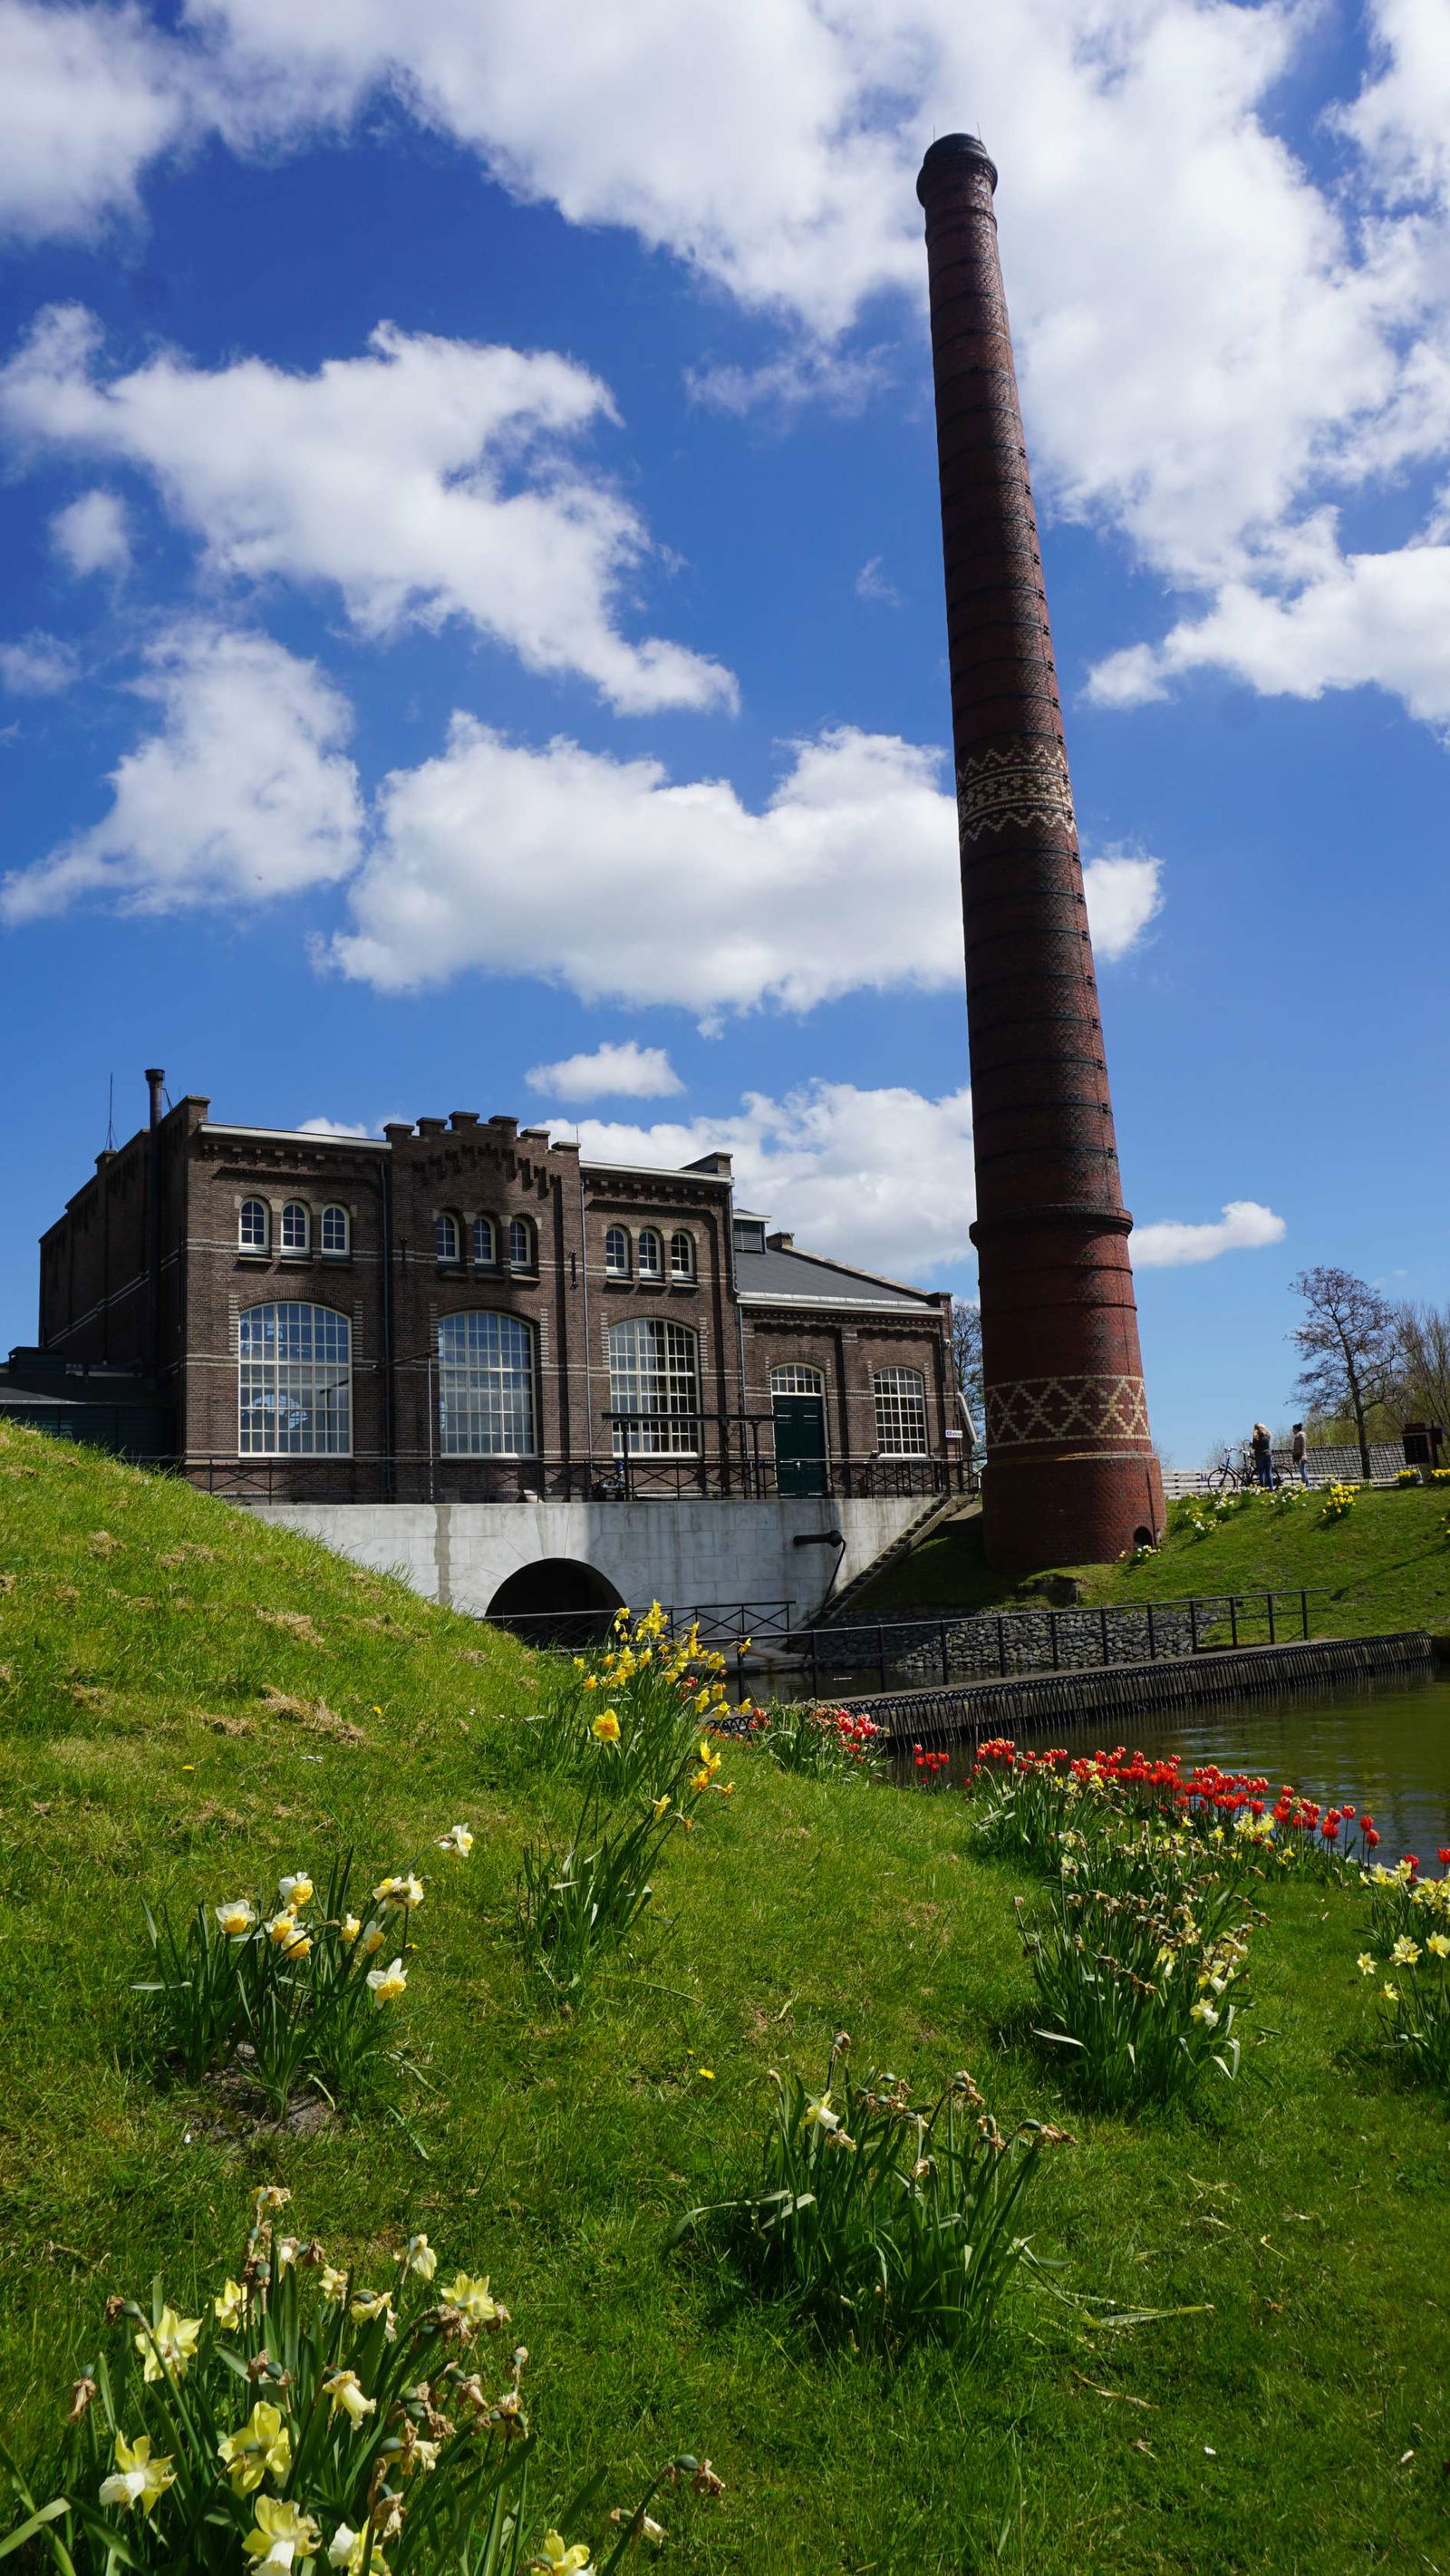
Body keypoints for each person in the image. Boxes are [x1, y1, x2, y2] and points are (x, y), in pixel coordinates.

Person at [1251, 1421, 1274, 1488]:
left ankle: (1263, 1488)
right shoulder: (1268, 1435)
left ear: (1256, 1429)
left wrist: (1254, 1441)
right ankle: (1271, 1488)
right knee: (1269, 1473)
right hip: (1268, 1455)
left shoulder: (1256, 1436)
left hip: (1260, 1455)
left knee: (1261, 1473)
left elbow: (1254, 1446)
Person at [1291, 1422, 1310, 1486]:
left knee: (1303, 1471)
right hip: (1297, 1457)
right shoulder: (1296, 1437)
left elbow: (1303, 1447)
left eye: (1293, 1429)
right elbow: (1295, 1449)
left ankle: (1307, 1485)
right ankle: (1306, 1484)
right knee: (1302, 1471)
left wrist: (1303, 1456)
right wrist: (1294, 1458)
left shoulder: (1302, 1436)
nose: (1292, 1431)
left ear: (1296, 1430)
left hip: (1302, 1456)